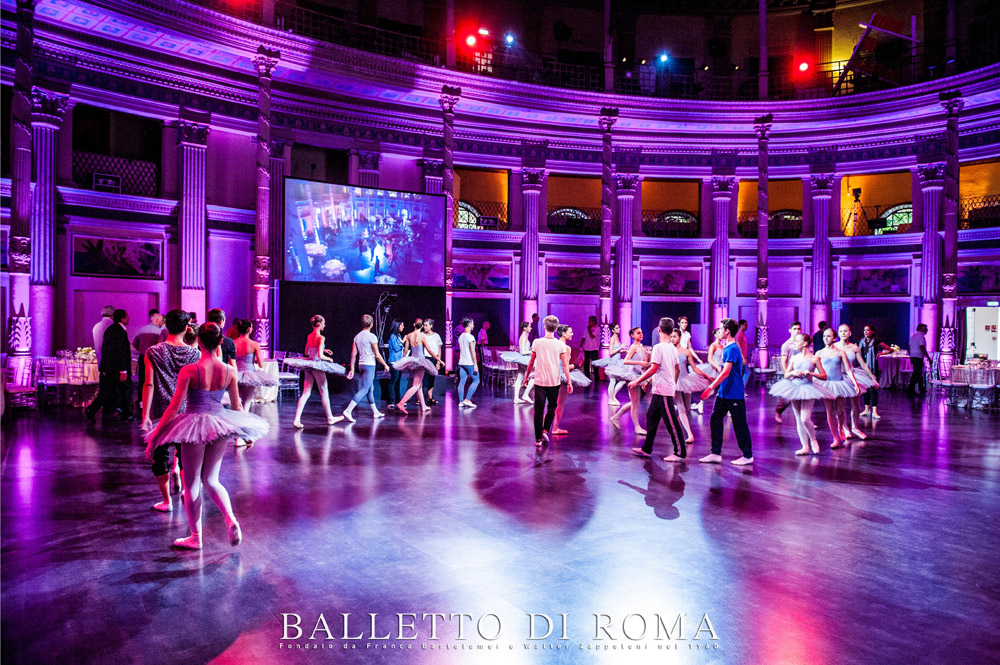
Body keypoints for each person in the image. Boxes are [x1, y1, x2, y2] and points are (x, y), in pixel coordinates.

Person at [144, 323, 269, 550]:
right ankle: (230, 518)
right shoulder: (229, 370)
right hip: (220, 423)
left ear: (199, 342)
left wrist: (156, 437)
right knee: (211, 479)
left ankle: (195, 537)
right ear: (220, 342)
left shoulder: (190, 370)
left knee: (191, 484)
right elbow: (237, 405)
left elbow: (173, 408)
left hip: (194, 425)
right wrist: (245, 433)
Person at [141, 309, 200, 512]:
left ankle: (167, 502)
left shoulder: (153, 351)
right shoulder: (195, 353)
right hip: (187, 410)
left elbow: (148, 384)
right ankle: (185, 491)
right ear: (186, 328)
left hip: (161, 409)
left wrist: (145, 415)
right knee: (186, 457)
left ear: (166, 326)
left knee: (161, 457)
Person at [699, 318, 754, 466]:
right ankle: (715, 453)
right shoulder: (727, 348)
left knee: (739, 423)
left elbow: (725, 373)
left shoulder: (732, 349)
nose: (719, 331)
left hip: (734, 393)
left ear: (727, 332)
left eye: (721, 329)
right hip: (724, 392)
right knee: (715, 419)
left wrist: (710, 388)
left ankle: (747, 455)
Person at [630, 317, 686, 462]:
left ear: (659, 330)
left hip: (663, 391)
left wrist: (637, 380)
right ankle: (647, 448)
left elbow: (654, 368)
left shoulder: (659, 348)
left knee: (672, 422)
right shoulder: (673, 348)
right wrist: (670, 384)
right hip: (660, 389)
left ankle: (680, 452)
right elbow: (676, 369)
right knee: (651, 417)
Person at [769, 335, 830, 456]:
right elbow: (786, 375)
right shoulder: (795, 358)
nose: (794, 343)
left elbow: (824, 376)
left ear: (805, 343)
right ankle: (805, 446)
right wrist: (793, 373)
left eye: (797, 341)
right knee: (798, 419)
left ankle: (813, 439)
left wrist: (810, 373)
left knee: (805, 418)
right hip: (794, 387)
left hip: (808, 388)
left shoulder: (814, 359)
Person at [286, 315, 347, 428]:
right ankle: (330, 418)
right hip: (317, 365)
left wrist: (322, 349)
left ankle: (296, 419)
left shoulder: (310, 336)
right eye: (324, 323)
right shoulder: (321, 337)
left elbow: (307, 352)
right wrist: (329, 358)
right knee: (324, 392)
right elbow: (319, 356)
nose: (325, 325)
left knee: (306, 393)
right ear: (319, 324)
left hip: (309, 365)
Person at [524, 315, 572, 446]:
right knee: (552, 407)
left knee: (538, 411)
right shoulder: (559, 345)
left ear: (544, 327)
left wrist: (526, 377)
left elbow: (531, 362)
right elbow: (566, 365)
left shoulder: (537, 342)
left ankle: (538, 438)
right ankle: (545, 429)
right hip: (554, 382)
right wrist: (569, 381)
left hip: (540, 381)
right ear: (556, 328)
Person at [337, 314, 391, 422]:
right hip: (369, 365)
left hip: (361, 365)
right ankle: (348, 410)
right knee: (364, 389)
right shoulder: (372, 337)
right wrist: (385, 365)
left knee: (370, 388)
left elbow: (353, 354)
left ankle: (375, 412)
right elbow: (377, 355)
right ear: (371, 324)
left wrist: (352, 369)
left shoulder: (357, 336)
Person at [86, 308, 133, 422]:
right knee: (122, 390)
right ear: (122, 318)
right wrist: (123, 371)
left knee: (108, 392)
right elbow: (120, 352)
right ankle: (124, 413)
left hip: (109, 367)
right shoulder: (119, 331)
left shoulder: (111, 329)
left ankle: (123, 412)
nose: (129, 318)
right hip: (116, 368)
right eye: (127, 316)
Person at [817, 327, 860, 448]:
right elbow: (816, 370)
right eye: (824, 336)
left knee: (840, 411)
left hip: (839, 383)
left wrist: (855, 383)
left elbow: (848, 369)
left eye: (829, 336)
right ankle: (835, 437)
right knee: (830, 411)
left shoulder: (841, 352)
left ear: (834, 338)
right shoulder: (819, 353)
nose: (826, 338)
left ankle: (841, 427)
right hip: (827, 384)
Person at [836, 323, 878, 440]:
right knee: (841, 406)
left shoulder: (854, 347)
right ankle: (844, 428)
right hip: (839, 377)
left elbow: (863, 364)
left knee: (856, 404)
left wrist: (872, 377)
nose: (843, 333)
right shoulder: (835, 347)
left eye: (845, 331)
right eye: (841, 331)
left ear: (850, 333)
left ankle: (855, 427)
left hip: (853, 376)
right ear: (838, 333)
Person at [393, 321, 443, 415]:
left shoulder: (409, 335)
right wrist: (439, 360)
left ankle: (423, 406)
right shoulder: (422, 336)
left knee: (419, 384)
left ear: (413, 325)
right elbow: (429, 350)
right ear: (422, 326)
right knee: (416, 385)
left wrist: (402, 360)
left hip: (412, 360)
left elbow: (406, 349)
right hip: (420, 361)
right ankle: (402, 402)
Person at [672, 328, 712, 444]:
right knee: (681, 409)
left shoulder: (686, 352)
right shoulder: (670, 352)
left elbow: (694, 368)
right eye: (671, 337)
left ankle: (677, 426)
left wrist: (707, 376)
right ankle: (690, 434)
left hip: (686, 380)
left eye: (674, 336)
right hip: (675, 382)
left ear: (679, 337)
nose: (672, 339)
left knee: (687, 409)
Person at [233, 318, 278, 421]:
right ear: (249, 329)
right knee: (246, 404)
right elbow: (261, 364)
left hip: (236, 374)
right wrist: (254, 360)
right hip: (249, 374)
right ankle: (244, 427)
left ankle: (239, 425)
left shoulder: (233, 343)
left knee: (237, 403)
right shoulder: (254, 344)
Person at [608, 327, 651, 435]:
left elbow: (642, 361)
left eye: (641, 332)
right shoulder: (633, 347)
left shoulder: (641, 346)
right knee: (635, 403)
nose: (641, 334)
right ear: (632, 336)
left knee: (634, 403)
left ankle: (615, 417)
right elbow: (626, 360)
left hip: (638, 374)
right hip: (631, 375)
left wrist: (645, 364)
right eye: (638, 333)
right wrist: (641, 363)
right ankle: (636, 427)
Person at [551, 325, 591, 435]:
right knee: (560, 404)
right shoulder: (566, 348)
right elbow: (565, 367)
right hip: (562, 377)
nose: (572, 334)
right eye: (570, 332)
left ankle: (543, 429)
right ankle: (555, 428)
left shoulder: (553, 345)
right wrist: (574, 367)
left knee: (551, 404)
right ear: (564, 334)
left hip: (552, 375)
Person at [858, 325, 892, 419]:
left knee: (873, 388)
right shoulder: (861, 341)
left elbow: (890, 349)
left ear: (872, 331)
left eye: (868, 330)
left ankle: (874, 411)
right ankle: (866, 409)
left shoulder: (876, 341)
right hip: (864, 367)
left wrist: (880, 353)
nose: (865, 332)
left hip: (873, 368)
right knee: (865, 389)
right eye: (864, 330)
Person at [133, 309, 164, 408]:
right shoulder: (160, 332)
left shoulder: (141, 330)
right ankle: (153, 400)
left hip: (143, 356)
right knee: (154, 380)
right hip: (155, 358)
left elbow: (135, 344)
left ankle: (141, 400)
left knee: (142, 379)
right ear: (158, 320)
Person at [774, 321, 803, 424]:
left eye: (799, 329)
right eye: (795, 329)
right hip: (791, 372)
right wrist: (787, 373)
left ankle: (805, 420)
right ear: (790, 330)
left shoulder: (803, 343)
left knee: (803, 397)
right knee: (788, 397)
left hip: (802, 372)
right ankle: (778, 411)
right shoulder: (786, 345)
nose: (797, 331)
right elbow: (784, 361)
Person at [594, 323, 626, 406]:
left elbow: (616, 351)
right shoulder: (612, 339)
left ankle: (613, 397)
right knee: (613, 381)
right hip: (613, 362)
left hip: (618, 361)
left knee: (622, 380)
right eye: (617, 328)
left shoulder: (617, 338)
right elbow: (611, 352)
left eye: (619, 327)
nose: (619, 329)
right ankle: (610, 399)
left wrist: (622, 351)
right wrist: (620, 347)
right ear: (612, 330)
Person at [503, 322, 534, 404]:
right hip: (524, 359)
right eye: (529, 327)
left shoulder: (524, 337)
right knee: (535, 376)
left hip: (523, 359)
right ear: (525, 328)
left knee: (520, 377)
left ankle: (516, 398)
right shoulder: (523, 338)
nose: (530, 328)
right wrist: (532, 351)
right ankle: (525, 394)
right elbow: (523, 351)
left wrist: (530, 349)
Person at [457, 318, 480, 407]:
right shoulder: (470, 337)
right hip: (469, 362)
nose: (473, 325)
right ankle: (467, 399)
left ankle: (461, 401)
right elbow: (472, 351)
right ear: (469, 324)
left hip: (462, 362)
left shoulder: (461, 337)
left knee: (462, 381)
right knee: (476, 380)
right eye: (473, 323)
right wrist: (475, 364)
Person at [206, 308, 238, 373]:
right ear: (221, 322)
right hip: (222, 375)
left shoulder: (202, 339)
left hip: (205, 374)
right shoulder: (228, 341)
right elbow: (233, 365)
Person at [421, 320, 444, 405]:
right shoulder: (422, 335)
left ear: (431, 326)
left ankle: (430, 397)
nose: (424, 327)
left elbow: (439, 350)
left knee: (432, 378)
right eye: (424, 325)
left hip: (434, 358)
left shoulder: (436, 336)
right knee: (423, 378)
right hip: (425, 358)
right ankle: (420, 398)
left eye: (426, 325)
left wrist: (438, 362)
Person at [386, 319, 406, 409]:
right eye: (402, 325)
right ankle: (390, 401)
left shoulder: (398, 336)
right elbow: (397, 348)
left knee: (397, 381)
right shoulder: (393, 336)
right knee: (393, 381)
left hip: (399, 362)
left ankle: (398, 400)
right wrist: (403, 342)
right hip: (394, 362)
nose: (403, 327)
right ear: (398, 326)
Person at [907, 323, 931, 396]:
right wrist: (928, 358)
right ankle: (912, 389)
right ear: (920, 329)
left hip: (913, 356)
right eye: (925, 329)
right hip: (918, 357)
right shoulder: (921, 337)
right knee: (918, 373)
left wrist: (911, 355)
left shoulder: (913, 336)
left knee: (918, 373)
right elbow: (922, 348)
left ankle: (920, 389)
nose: (926, 330)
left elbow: (908, 347)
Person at [582, 315, 601, 381]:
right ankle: (587, 377)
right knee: (586, 364)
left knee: (595, 363)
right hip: (587, 348)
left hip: (594, 349)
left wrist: (589, 329)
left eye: (590, 321)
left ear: (593, 321)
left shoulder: (597, 328)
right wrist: (581, 346)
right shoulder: (586, 329)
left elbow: (592, 336)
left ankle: (597, 378)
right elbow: (583, 338)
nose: (589, 322)